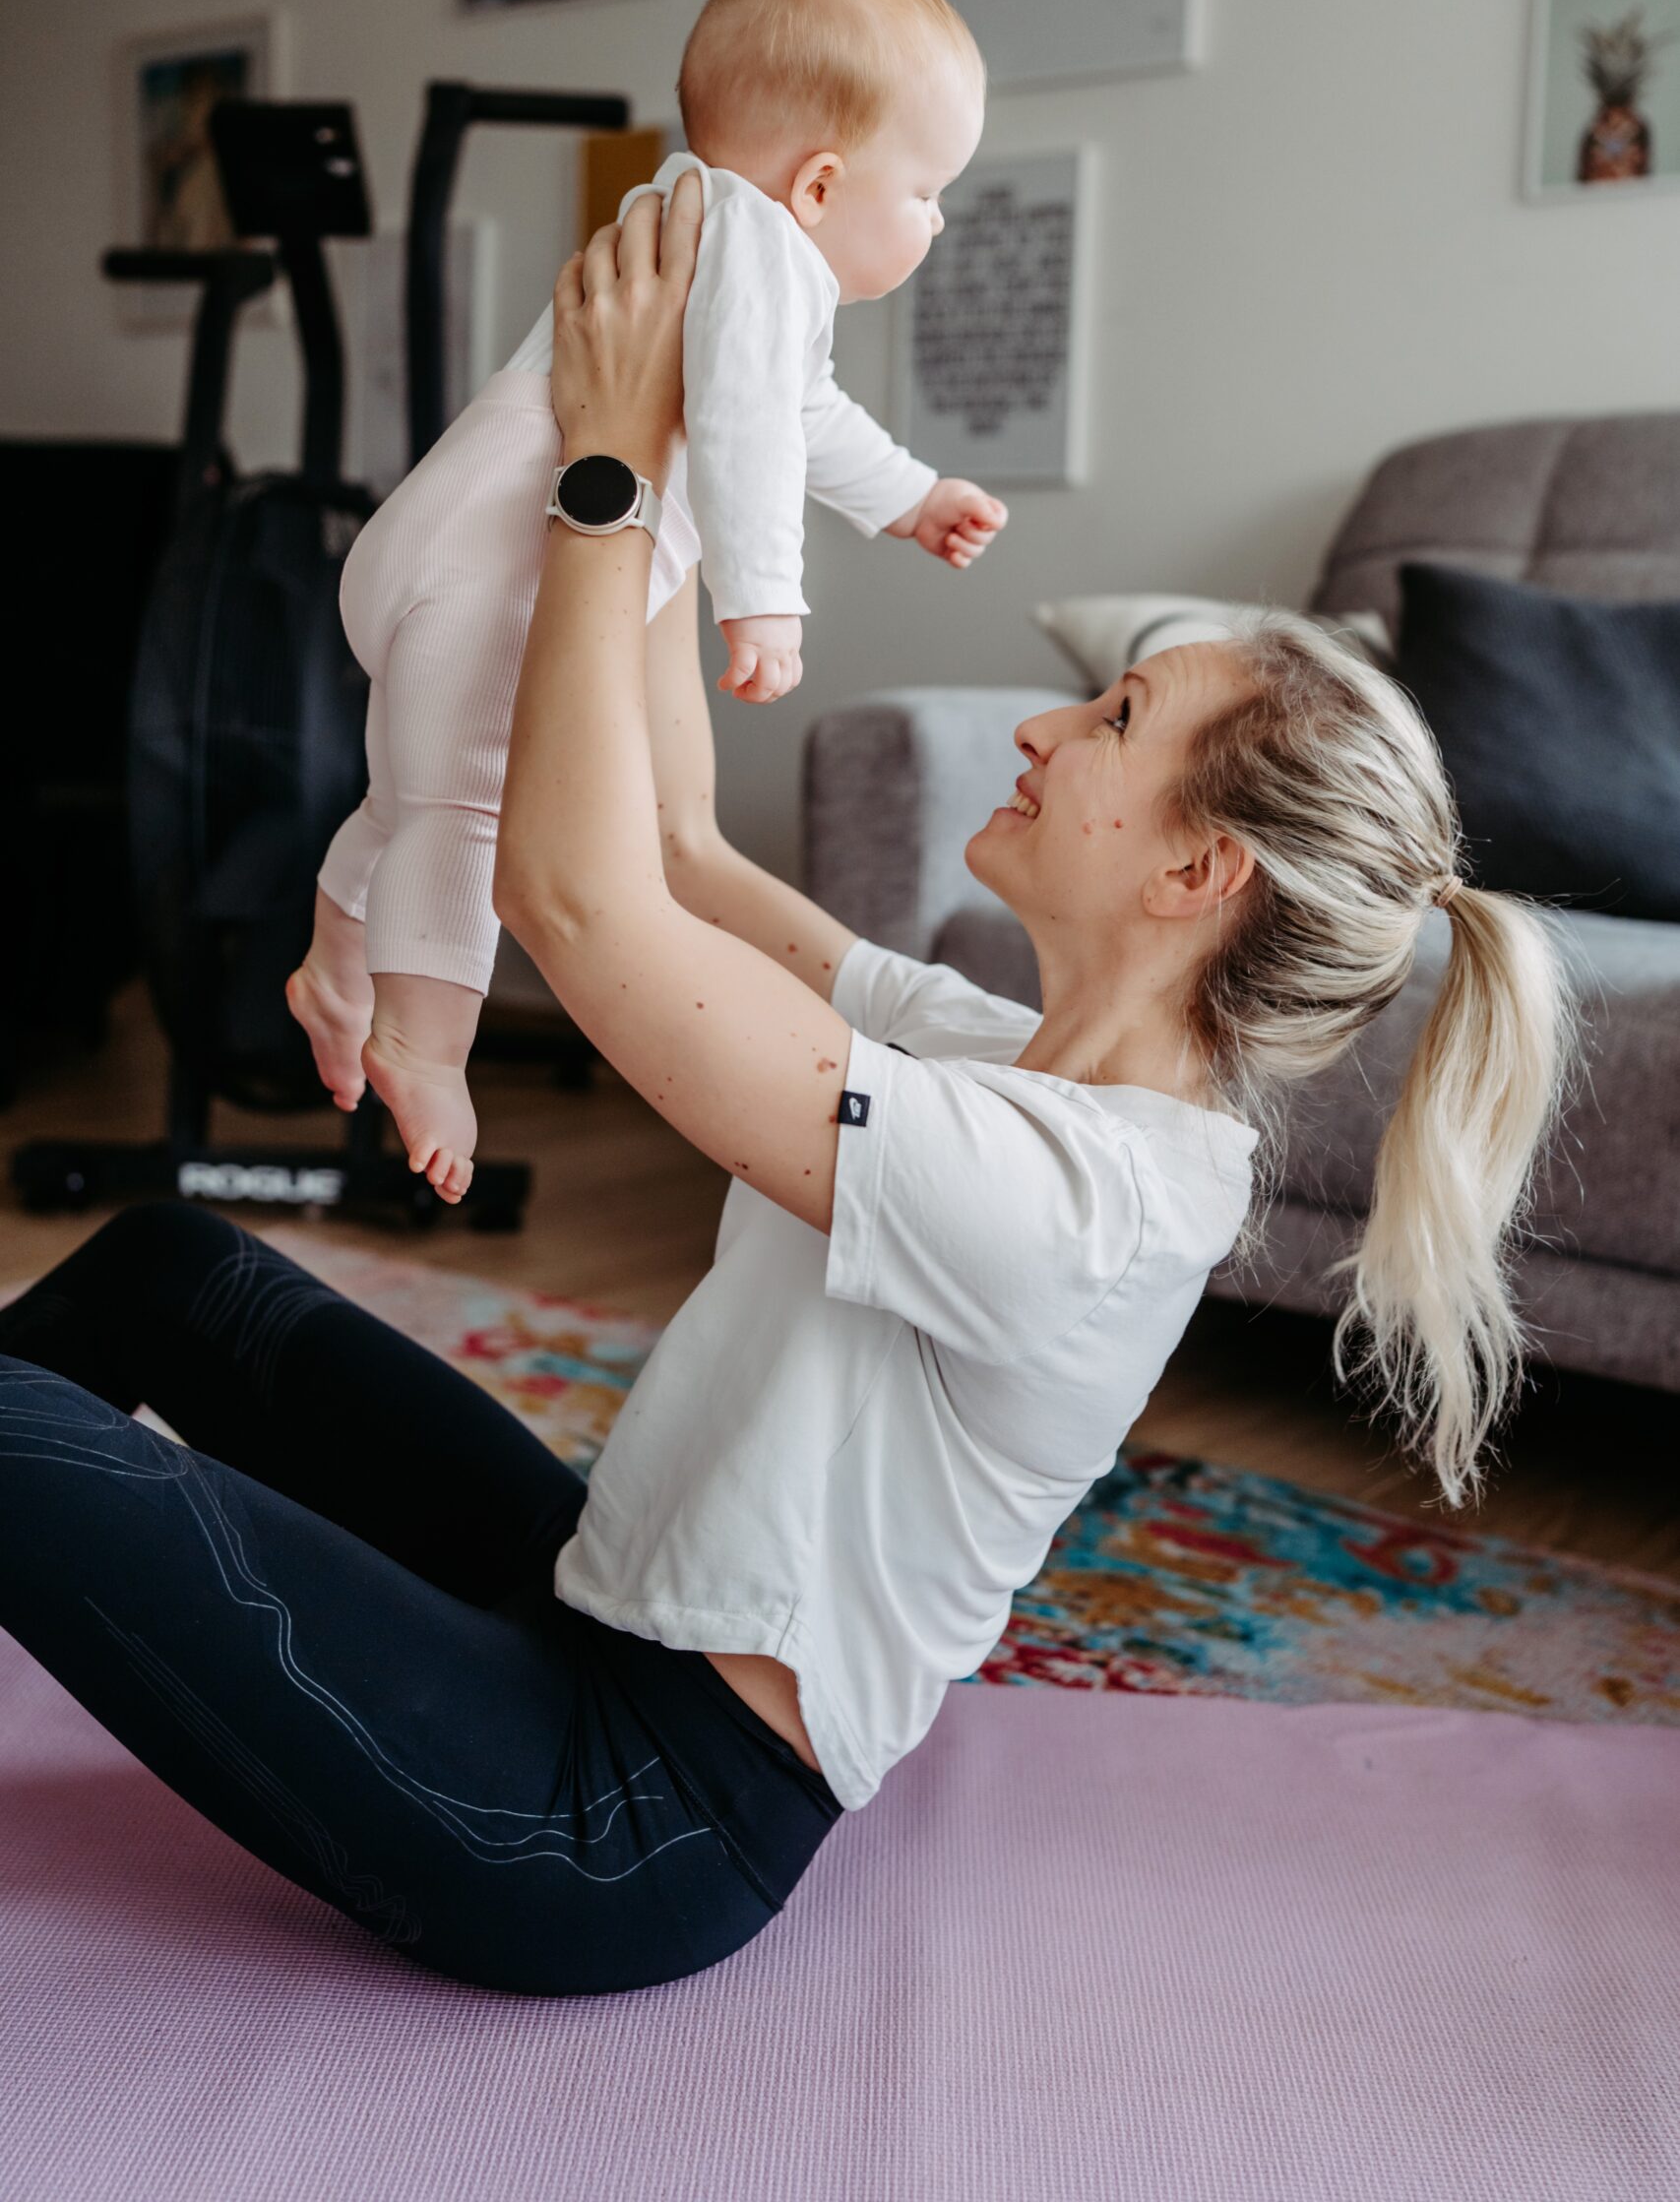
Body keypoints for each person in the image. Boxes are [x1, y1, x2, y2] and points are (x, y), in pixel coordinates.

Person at [0, 178, 1574, 1999]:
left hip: (616, 1817)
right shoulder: (1000, 1054)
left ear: (1196, 875)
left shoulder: (1091, 1199)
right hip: (598, 1594)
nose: (1044, 727)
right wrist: (670, 454)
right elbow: (667, 847)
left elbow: (581, 909)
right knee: (173, 1276)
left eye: (1117, 723)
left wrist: (595, 471)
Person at [286, 0, 1006, 1209]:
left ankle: (341, 965)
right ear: (826, 183)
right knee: (462, 813)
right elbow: (738, 431)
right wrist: (764, 605)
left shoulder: (689, 213)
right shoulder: (765, 251)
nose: (940, 218)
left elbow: (797, 416)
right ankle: (422, 1036)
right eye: (931, 189)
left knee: (413, 794)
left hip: (441, 549)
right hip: (488, 578)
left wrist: (910, 498)